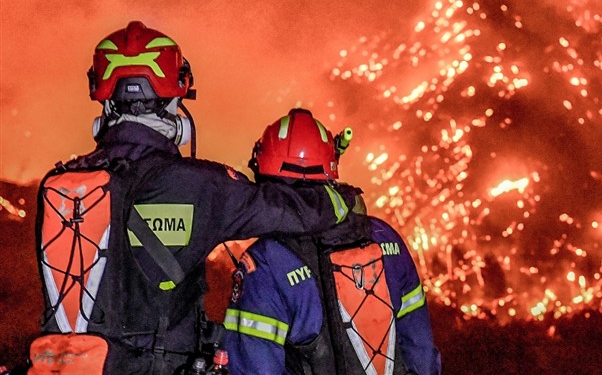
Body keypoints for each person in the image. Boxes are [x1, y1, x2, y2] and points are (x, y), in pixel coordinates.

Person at [32, 22, 361, 374]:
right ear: (175, 98)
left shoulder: (59, 183)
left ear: (103, 97)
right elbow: (295, 213)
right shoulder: (196, 184)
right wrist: (344, 200)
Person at [223, 109, 441, 374]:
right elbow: (422, 353)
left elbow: (252, 365)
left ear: (264, 170)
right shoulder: (386, 238)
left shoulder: (266, 262)